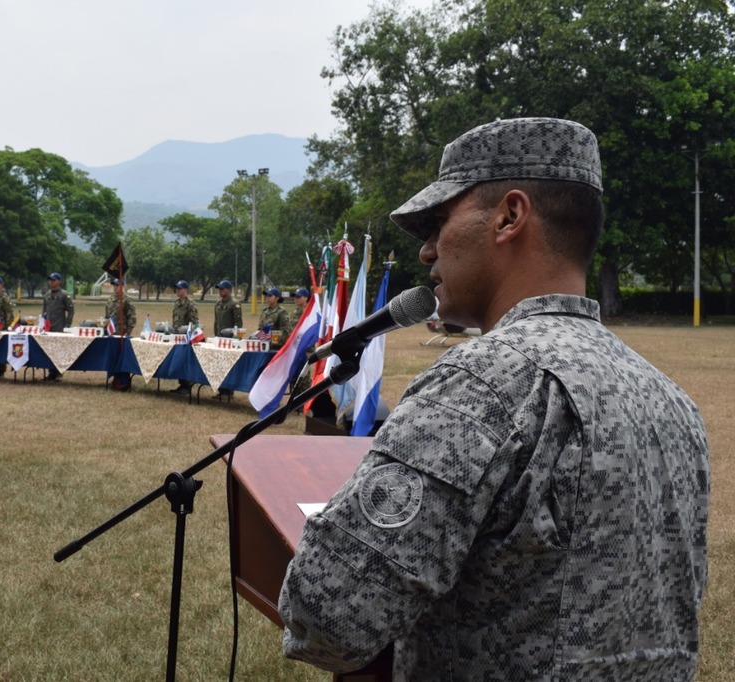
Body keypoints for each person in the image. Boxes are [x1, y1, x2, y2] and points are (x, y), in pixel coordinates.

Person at [279, 118, 710, 680]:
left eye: (438, 222)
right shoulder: (672, 402)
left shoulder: (484, 382)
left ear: (510, 216)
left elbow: (330, 616)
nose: (427, 252)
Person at [105, 277, 136, 391]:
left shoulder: (127, 300)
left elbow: (131, 317)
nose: (115, 287)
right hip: (112, 334)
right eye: (114, 285)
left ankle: (123, 382)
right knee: (113, 357)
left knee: (122, 359)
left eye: (117, 285)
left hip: (122, 334)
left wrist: (128, 332)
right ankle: (115, 380)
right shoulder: (110, 299)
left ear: (122, 286)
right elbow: (107, 316)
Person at [42, 272, 74, 381]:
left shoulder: (64, 295)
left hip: (59, 327)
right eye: (50, 280)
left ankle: (57, 372)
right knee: (48, 350)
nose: (51, 282)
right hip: (48, 327)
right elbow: (44, 311)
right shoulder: (47, 295)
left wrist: (67, 325)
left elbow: (71, 310)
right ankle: (50, 372)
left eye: (54, 280)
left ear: (59, 281)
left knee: (57, 350)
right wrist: (42, 323)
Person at [213, 279, 242, 398]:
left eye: (222, 289)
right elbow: (216, 322)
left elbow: (238, 324)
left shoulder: (234, 304)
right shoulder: (218, 304)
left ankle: (228, 391)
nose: (220, 291)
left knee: (229, 365)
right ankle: (221, 390)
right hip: (219, 339)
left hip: (230, 340)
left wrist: (236, 339)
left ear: (229, 290)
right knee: (219, 365)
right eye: (219, 289)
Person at [170, 279, 199, 394]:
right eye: (177, 288)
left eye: (180, 288)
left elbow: (194, 322)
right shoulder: (177, 303)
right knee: (178, 360)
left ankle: (187, 385)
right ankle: (182, 384)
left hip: (186, 337)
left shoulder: (191, 304)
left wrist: (189, 335)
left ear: (186, 290)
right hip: (177, 336)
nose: (177, 290)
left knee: (185, 361)